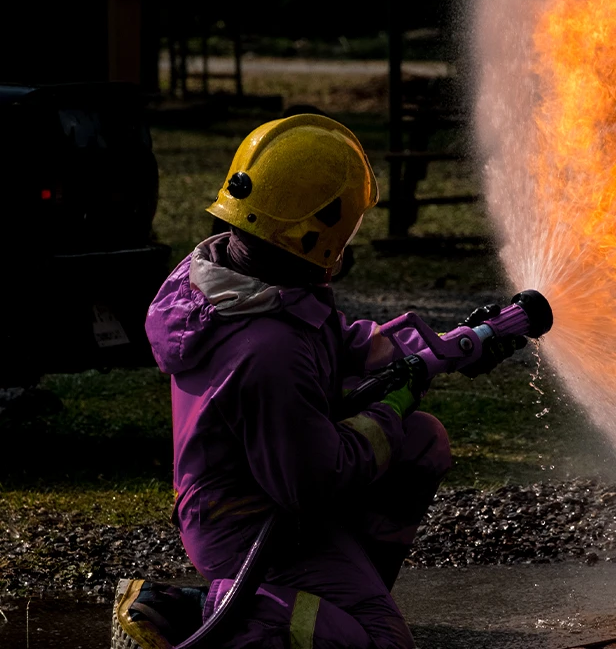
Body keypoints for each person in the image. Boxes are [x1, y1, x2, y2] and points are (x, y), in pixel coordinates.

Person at [136, 114, 518, 648]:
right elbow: (313, 483)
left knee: (421, 441)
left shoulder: (241, 279)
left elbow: (335, 341)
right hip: (250, 529)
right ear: (318, 229)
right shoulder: (267, 350)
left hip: (264, 497)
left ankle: (332, 596)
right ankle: (208, 611)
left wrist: (442, 345)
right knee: (378, 643)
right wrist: (391, 406)